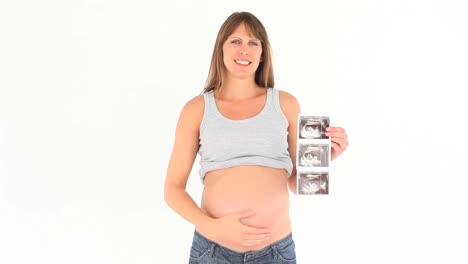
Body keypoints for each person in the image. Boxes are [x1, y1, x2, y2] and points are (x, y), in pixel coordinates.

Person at [164, 11, 349, 263]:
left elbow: (298, 184)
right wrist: (211, 227)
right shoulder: (196, 109)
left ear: (262, 54)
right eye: (235, 41)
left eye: (253, 43)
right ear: (221, 49)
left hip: (276, 252)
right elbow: (172, 190)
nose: (244, 50)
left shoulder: (286, 104)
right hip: (213, 251)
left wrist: (326, 158)